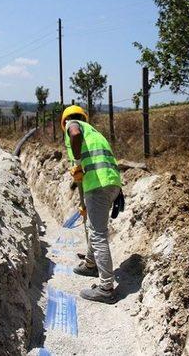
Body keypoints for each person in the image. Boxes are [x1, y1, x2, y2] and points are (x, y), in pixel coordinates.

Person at [60, 105, 123, 304]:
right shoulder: (96, 134)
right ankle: (90, 264)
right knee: (93, 225)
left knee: (97, 233)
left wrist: (77, 161)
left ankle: (106, 288)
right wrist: (117, 190)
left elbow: (75, 133)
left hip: (97, 185)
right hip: (111, 183)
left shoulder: (74, 124)